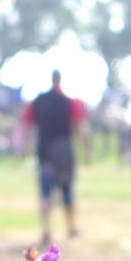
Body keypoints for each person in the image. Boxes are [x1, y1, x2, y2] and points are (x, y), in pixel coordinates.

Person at [21, 70, 89, 247]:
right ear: (60, 80)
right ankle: (71, 227)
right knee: (67, 191)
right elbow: (79, 126)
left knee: (45, 193)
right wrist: (86, 149)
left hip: (44, 153)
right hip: (64, 152)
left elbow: (27, 126)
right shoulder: (70, 102)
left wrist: (24, 147)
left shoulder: (38, 102)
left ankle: (46, 230)